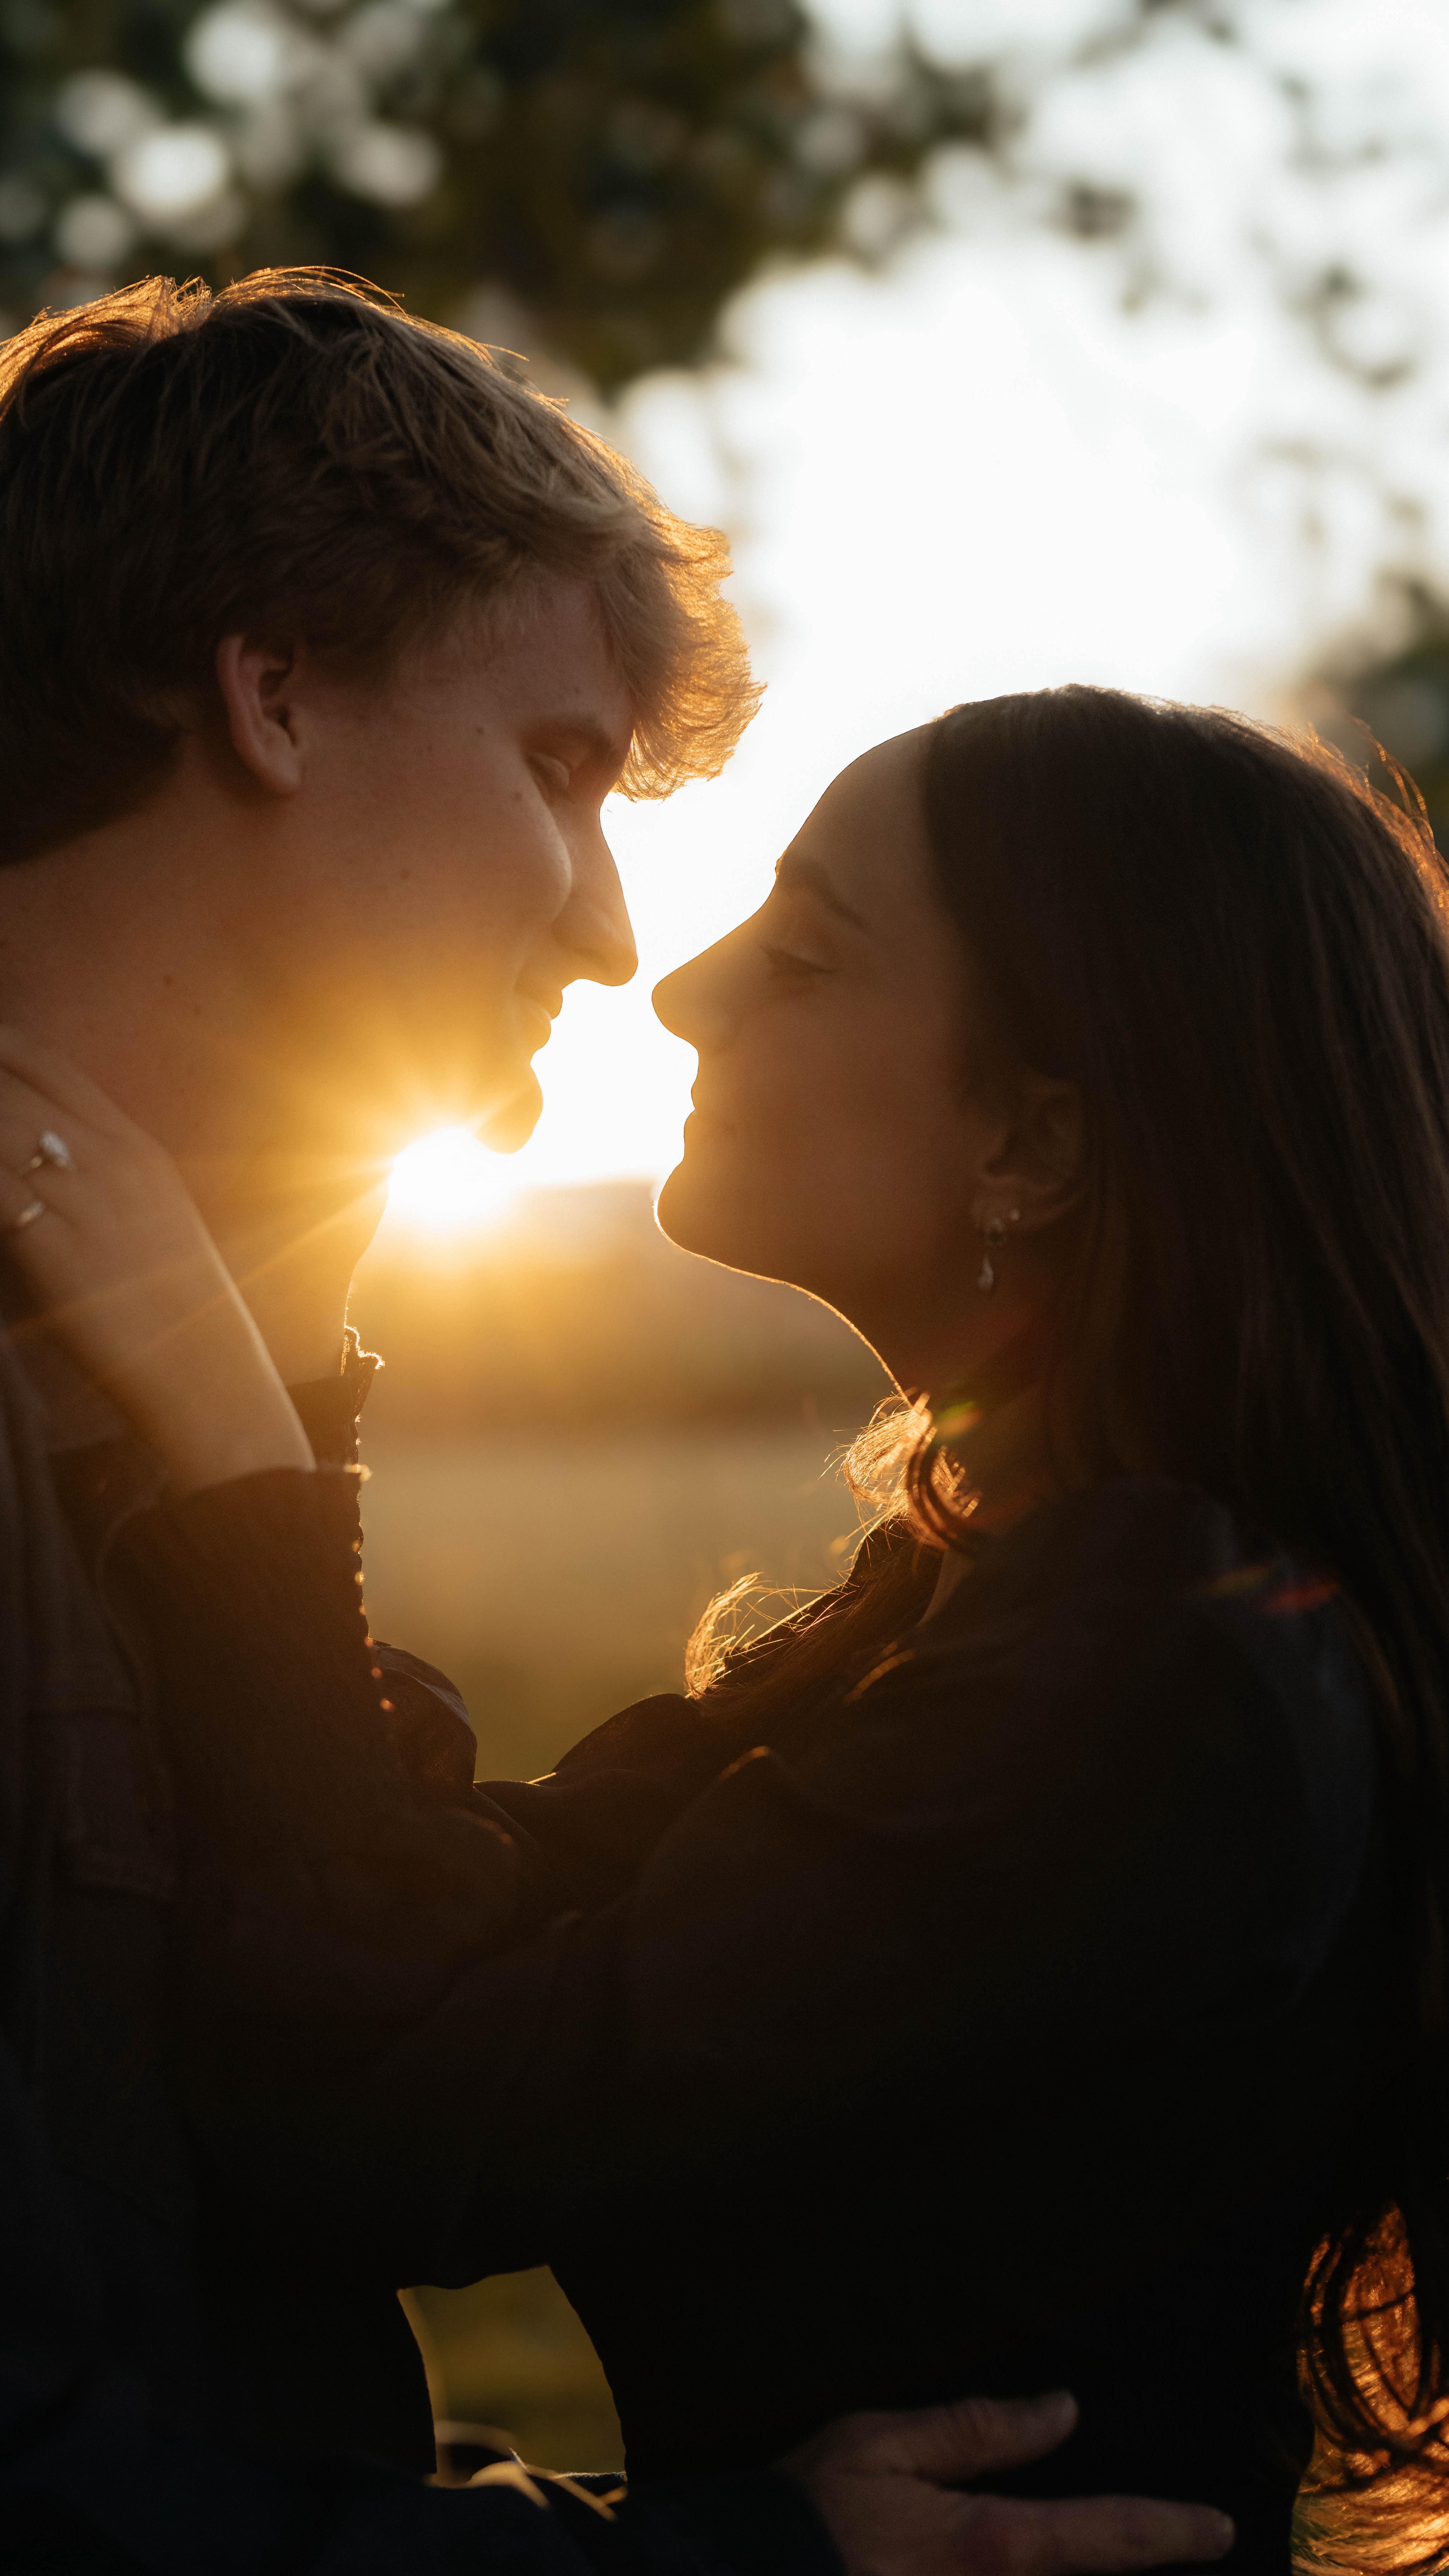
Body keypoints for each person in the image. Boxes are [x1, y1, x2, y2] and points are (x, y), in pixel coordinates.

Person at [0, 267, 1235, 2576]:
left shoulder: (147, 1420)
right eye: (560, 768)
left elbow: (346, 2110)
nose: (612, 940)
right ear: (269, 692)